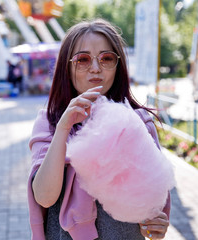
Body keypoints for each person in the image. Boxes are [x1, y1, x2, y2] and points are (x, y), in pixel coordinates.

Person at [27, 19, 171, 240]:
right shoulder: (50, 122)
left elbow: (154, 204)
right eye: (82, 59)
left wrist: (156, 225)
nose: (95, 68)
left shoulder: (139, 121)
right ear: (67, 66)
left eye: (106, 58)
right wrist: (64, 127)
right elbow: (45, 197)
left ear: (118, 65)